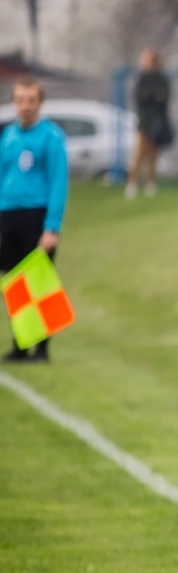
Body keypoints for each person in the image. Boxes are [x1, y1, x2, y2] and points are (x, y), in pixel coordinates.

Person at [0, 77, 68, 363]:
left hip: (36, 215)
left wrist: (51, 226)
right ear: (14, 102)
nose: (25, 106)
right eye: (20, 100)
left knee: (38, 281)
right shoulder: (8, 136)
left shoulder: (51, 137)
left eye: (31, 101)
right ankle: (19, 345)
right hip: (9, 215)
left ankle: (41, 349)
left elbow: (58, 182)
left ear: (40, 103)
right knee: (14, 281)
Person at [128, 48, 171, 199]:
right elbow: (141, 98)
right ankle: (132, 184)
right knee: (138, 155)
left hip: (157, 124)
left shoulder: (161, 79)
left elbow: (163, 98)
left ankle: (150, 184)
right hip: (144, 123)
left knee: (153, 156)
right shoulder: (142, 79)